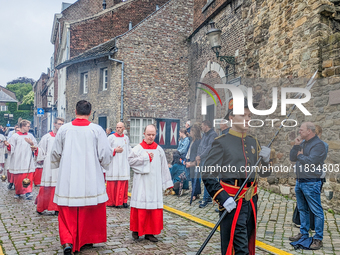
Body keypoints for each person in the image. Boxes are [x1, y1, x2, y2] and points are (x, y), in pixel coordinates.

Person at [202, 98, 271, 255]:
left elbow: (264, 173)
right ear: (231, 118)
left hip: (251, 202)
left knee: (247, 242)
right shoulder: (221, 142)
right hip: (232, 202)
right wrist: (223, 198)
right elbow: (207, 174)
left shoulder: (253, 142)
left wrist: (266, 161)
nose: (247, 119)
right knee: (238, 247)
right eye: (243, 115)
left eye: (249, 116)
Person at [50, 100, 113, 254]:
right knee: (89, 209)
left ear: (75, 110)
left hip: (68, 177)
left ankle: (67, 242)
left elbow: (55, 152)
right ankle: (86, 238)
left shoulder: (64, 130)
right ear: (90, 113)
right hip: (90, 177)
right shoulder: (97, 130)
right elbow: (105, 154)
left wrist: (57, 163)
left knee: (67, 212)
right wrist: (105, 164)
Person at [128, 124, 173, 242]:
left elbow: (164, 167)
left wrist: (167, 184)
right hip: (142, 183)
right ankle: (136, 230)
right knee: (141, 206)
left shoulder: (159, 150)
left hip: (155, 184)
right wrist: (145, 158)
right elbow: (130, 161)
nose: (151, 137)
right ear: (144, 134)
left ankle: (150, 232)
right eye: (149, 134)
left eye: (153, 135)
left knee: (152, 207)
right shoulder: (138, 148)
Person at [289, 122, 326, 250]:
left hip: (311, 182)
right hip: (300, 181)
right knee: (302, 209)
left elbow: (311, 162)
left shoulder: (319, 145)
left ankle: (318, 238)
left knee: (316, 211)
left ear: (309, 131)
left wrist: (301, 155)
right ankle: (303, 233)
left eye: (301, 130)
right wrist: (296, 146)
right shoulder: (302, 143)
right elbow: (292, 157)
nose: (299, 132)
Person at [28, 117, 65, 215]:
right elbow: (41, 150)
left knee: (59, 186)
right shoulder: (47, 137)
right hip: (49, 164)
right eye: (59, 124)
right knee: (47, 186)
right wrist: (36, 150)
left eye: (62, 124)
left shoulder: (65, 137)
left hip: (61, 164)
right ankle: (41, 206)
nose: (61, 126)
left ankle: (57, 208)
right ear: (54, 124)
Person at [4, 120, 37, 200]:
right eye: (28, 126)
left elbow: (35, 146)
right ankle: (18, 192)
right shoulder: (15, 136)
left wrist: (32, 143)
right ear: (23, 126)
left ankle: (28, 192)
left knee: (28, 176)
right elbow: (11, 147)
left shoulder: (30, 135)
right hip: (18, 159)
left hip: (27, 158)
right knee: (18, 177)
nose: (29, 127)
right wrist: (8, 146)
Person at [106, 122, 131, 208]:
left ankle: (123, 201)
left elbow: (129, 150)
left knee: (123, 183)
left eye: (120, 127)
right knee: (114, 184)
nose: (118, 129)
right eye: (117, 127)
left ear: (123, 128)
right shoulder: (111, 138)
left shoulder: (126, 138)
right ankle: (113, 202)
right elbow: (106, 150)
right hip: (114, 164)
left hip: (124, 164)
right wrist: (114, 150)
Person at [196, 120, 218, 208]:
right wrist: (198, 155)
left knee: (207, 178)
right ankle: (208, 197)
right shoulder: (205, 134)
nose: (201, 127)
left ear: (206, 126)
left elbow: (209, 147)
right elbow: (201, 146)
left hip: (208, 160)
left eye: (202, 126)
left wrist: (201, 156)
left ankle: (205, 199)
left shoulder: (213, 135)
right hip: (202, 159)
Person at [185, 124, 202, 201]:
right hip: (190, 159)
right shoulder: (192, 140)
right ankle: (195, 193)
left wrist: (194, 162)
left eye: (191, 131)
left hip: (194, 162)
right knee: (192, 177)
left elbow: (198, 152)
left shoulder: (198, 141)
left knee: (195, 178)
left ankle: (195, 194)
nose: (190, 132)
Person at [5, 125, 19, 190]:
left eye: (18, 130)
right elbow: (9, 146)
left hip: (20, 157)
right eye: (16, 130)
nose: (17, 132)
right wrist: (8, 146)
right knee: (12, 170)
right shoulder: (12, 138)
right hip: (13, 156)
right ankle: (11, 183)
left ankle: (17, 184)